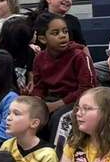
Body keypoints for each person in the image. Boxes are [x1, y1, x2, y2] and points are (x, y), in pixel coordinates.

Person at [26, 12, 96, 141]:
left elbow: (88, 89)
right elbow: (39, 86)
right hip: (52, 99)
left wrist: (57, 104)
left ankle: (57, 157)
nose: (63, 36)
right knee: (30, 116)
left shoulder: (79, 56)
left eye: (65, 31)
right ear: (42, 39)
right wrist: (38, 102)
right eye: (55, 33)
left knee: (59, 118)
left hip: (79, 101)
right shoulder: (39, 58)